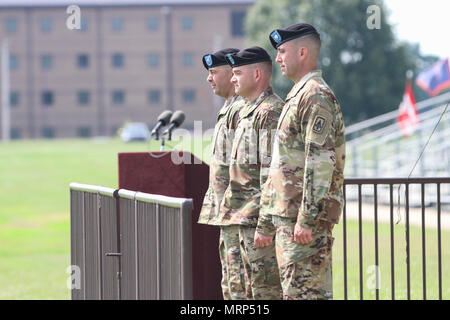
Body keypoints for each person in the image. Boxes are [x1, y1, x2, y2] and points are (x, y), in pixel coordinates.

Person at [254, 23, 346, 300]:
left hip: (303, 223)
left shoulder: (315, 95)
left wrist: (306, 219)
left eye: (282, 51)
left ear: (302, 52)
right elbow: (281, 165)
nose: (278, 58)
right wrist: (268, 220)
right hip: (288, 218)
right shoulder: (298, 94)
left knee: (306, 296)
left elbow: (319, 163)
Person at [217, 46, 283, 300]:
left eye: (237, 73)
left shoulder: (269, 112)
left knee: (264, 295)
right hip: (240, 219)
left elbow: (271, 176)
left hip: (257, 223)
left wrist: (266, 225)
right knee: (241, 293)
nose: (232, 79)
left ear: (257, 74)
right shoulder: (246, 111)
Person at [197, 48, 247, 300]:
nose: (209, 78)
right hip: (228, 214)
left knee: (241, 289)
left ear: (231, 73)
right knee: (230, 286)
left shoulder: (242, 109)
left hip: (241, 215)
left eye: (214, 72)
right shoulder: (229, 108)